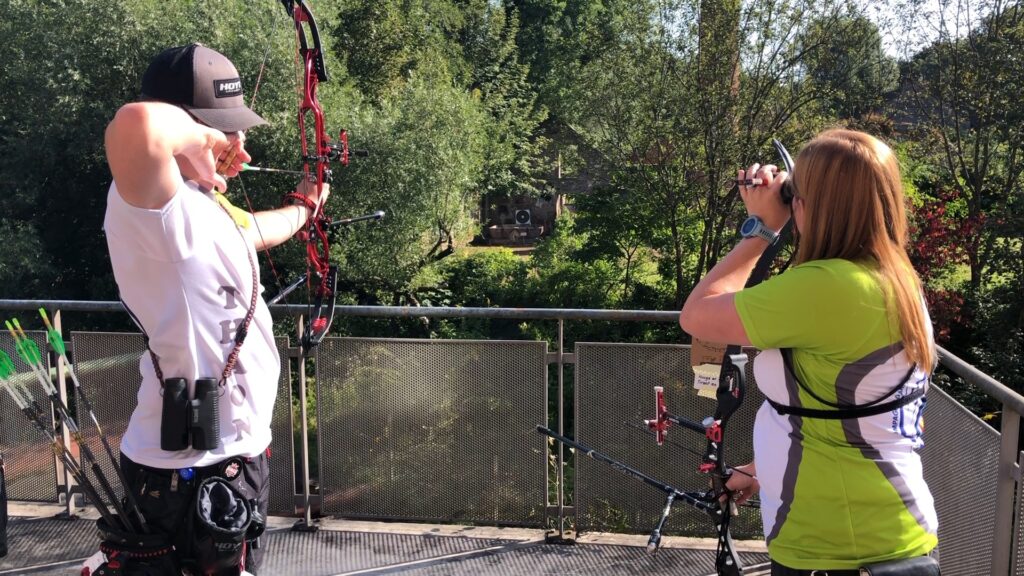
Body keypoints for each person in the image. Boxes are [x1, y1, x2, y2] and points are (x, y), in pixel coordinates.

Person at [102, 43, 328, 575]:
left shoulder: (197, 203)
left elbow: (248, 232)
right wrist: (205, 138)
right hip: (187, 472)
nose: (239, 143)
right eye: (226, 128)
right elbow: (134, 126)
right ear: (182, 124)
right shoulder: (148, 207)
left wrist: (303, 207)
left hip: (232, 456)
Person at [679, 129, 938, 573]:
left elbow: (697, 315)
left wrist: (761, 228)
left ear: (816, 206)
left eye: (797, 194)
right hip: (879, 533)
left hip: (835, 548)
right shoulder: (891, 278)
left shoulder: (828, 287)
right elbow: (850, 413)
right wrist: (763, 470)